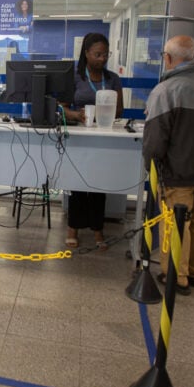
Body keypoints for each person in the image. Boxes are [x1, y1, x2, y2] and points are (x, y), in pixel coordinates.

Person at [143, 35, 194, 295]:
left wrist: (151, 168)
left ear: (168, 58)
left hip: (178, 170)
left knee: (176, 222)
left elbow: (156, 140)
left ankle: (176, 276)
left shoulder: (167, 90)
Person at [63, 33, 124, 250]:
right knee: (77, 185)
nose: (102, 59)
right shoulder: (75, 76)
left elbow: (119, 109)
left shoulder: (112, 78)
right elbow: (61, 106)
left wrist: (102, 114)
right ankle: (73, 228)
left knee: (99, 184)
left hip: (104, 137)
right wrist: (75, 115)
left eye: (105, 54)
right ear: (87, 53)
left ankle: (98, 229)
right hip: (79, 137)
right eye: (97, 54)